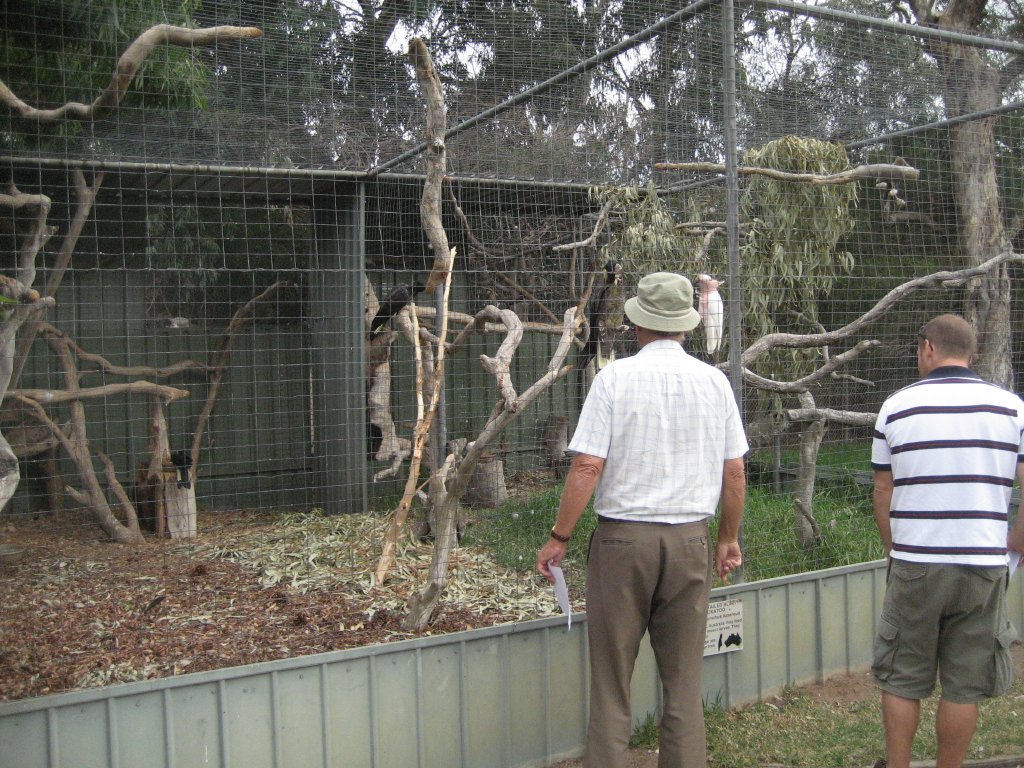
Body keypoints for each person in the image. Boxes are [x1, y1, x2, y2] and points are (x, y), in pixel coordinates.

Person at [536, 272, 748, 768]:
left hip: (621, 544)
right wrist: (727, 538)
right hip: (692, 543)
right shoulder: (715, 382)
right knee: (684, 682)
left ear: (636, 323)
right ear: (685, 325)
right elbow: (734, 470)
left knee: (612, 680)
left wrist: (559, 536)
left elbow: (588, 465)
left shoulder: (614, 378)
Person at [871, 314, 1024, 768]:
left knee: (901, 676)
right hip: (983, 562)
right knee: (963, 684)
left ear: (928, 349)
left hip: (916, 560)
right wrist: (1015, 538)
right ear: (972, 354)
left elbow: (883, 491)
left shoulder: (895, 407)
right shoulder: (1012, 409)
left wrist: (893, 547)